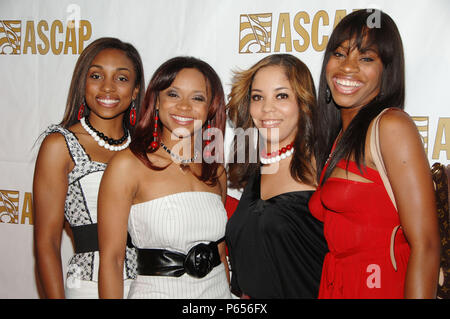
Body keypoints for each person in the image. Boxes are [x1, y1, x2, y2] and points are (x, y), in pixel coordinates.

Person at [308, 9, 440, 298]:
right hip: (338, 285)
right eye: (340, 54)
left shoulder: (391, 126)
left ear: (386, 71)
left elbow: (427, 245)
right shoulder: (337, 136)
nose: (348, 67)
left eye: (366, 58)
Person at [97, 56, 231, 299]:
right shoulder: (127, 166)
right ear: (156, 101)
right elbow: (112, 261)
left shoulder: (216, 171)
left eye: (198, 98)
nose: (184, 106)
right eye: (173, 94)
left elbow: (220, 255)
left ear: (210, 107)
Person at [33, 37, 145, 299]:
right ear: (83, 83)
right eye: (96, 75)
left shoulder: (145, 149)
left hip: (150, 286)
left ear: (136, 90)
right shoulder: (60, 145)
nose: (108, 87)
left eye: (121, 78)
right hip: (89, 288)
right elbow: (46, 243)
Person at [225, 54, 328, 298]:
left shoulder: (325, 168)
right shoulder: (255, 169)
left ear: (303, 102)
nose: (267, 108)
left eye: (281, 95)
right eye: (257, 97)